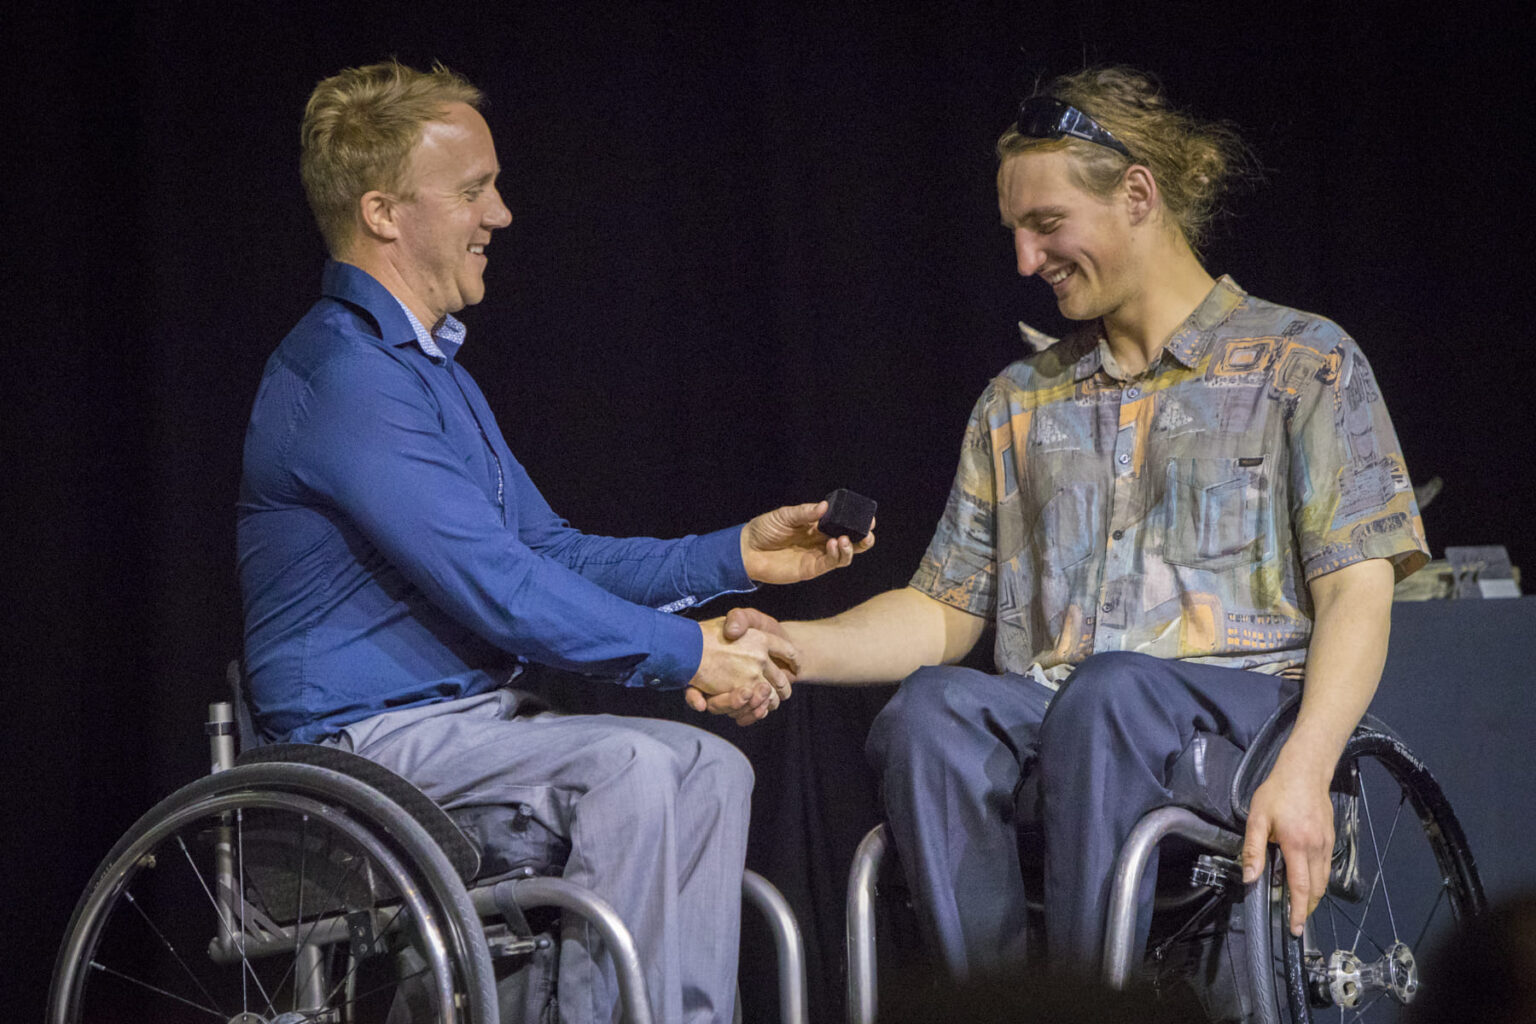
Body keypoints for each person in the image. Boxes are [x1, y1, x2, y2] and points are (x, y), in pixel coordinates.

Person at [722, 66, 1428, 984]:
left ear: (1138, 194)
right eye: (1015, 232)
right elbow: (943, 610)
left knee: (1110, 695)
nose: (1024, 259)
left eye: (1047, 225)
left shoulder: (1304, 363)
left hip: (1240, 723)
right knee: (929, 714)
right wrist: (791, 648)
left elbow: (1358, 595)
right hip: (1066, 723)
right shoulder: (1017, 403)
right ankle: (1000, 1001)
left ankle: (1089, 1006)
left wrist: (1308, 764)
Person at [237, 59, 871, 1024]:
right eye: (472, 190)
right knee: (639, 769)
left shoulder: (430, 370)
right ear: (381, 213)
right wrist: (693, 655)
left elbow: (551, 555)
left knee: (711, 766)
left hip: (467, 728)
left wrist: (734, 557)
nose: (500, 214)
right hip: (357, 751)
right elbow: (505, 592)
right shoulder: (345, 378)